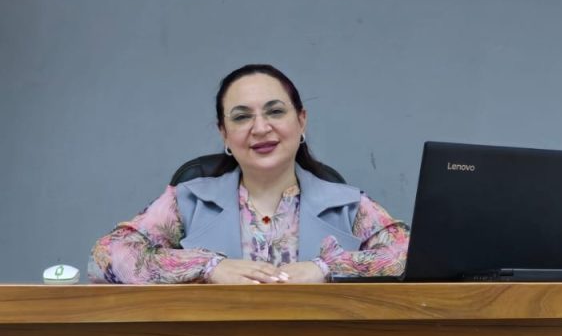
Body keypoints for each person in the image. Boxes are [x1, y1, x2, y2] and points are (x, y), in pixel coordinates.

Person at [90, 64, 408, 283]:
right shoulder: (185, 201)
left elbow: (410, 254)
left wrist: (325, 268)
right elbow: (106, 257)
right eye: (242, 117)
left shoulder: (348, 205)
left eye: (275, 111)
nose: (260, 128)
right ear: (224, 133)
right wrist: (208, 267)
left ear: (301, 121)